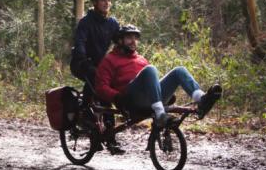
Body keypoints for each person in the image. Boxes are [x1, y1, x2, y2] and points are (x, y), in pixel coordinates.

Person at [94, 25, 222, 128]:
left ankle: (202, 99)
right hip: (130, 101)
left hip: (150, 100)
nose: (133, 41)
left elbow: (152, 82)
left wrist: (165, 92)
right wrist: (116, 97)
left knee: (179, 70)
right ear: (120, 41)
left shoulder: (141, 59)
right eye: (129, 38)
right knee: (150, 69)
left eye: (135, 38)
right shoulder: (109, 60)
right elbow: (101, 86)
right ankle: (160, 114)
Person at [70, 0, 121, 153]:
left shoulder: (112, 23)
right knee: (96, 82)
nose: (106, 2)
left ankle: (107, 136)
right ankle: (84, 115)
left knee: (107, 93)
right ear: (95, 3)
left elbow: (120, 43)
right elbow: (80, 43)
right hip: (81, 63)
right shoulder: (86, 22)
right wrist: (83, 59)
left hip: (99, 65)